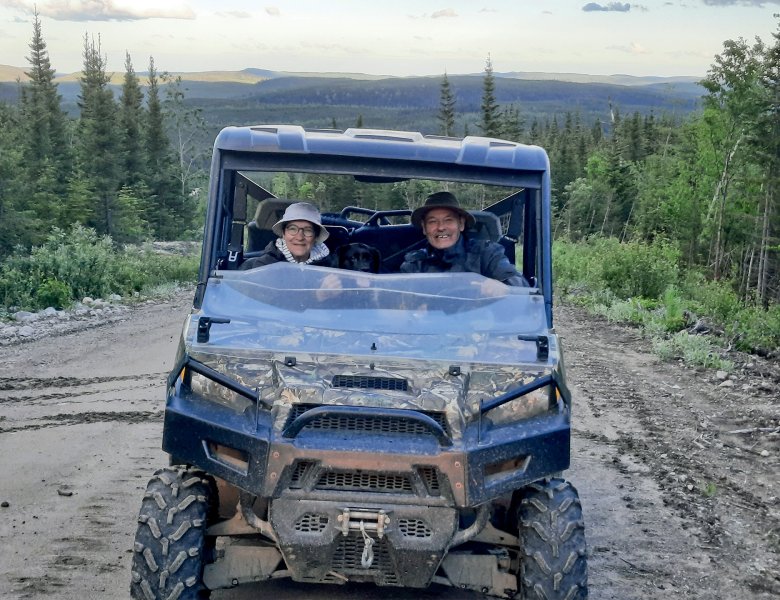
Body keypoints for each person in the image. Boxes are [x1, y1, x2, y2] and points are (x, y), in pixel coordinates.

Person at [400, 191, 528, 286]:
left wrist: (502, 287)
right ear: (424, 228)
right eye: (432, 222)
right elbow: (401, 304)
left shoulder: (487, 253)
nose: (440, 227)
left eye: (448, 220)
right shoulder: (414, 264)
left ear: (461, 224)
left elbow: (519, 284)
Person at [239, 201, 331, 269]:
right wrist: (317, 295)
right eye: (292, 229)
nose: (299, 237)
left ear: (316, 236)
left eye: (308, 230)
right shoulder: (264, 265)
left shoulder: (330, 267)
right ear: (283, 234)